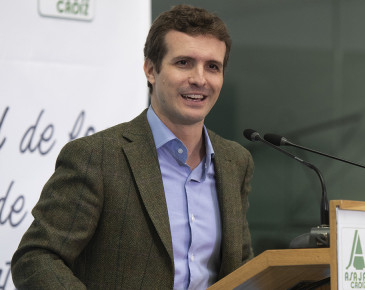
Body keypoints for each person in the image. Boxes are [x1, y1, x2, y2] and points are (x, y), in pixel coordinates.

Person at [11, 5, 254, 289]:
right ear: (151, 70)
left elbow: (241, 264)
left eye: (213, 66)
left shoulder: (235, 161)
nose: (200, 79)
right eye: (184, 62)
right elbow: (36, 258)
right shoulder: (97, 156)